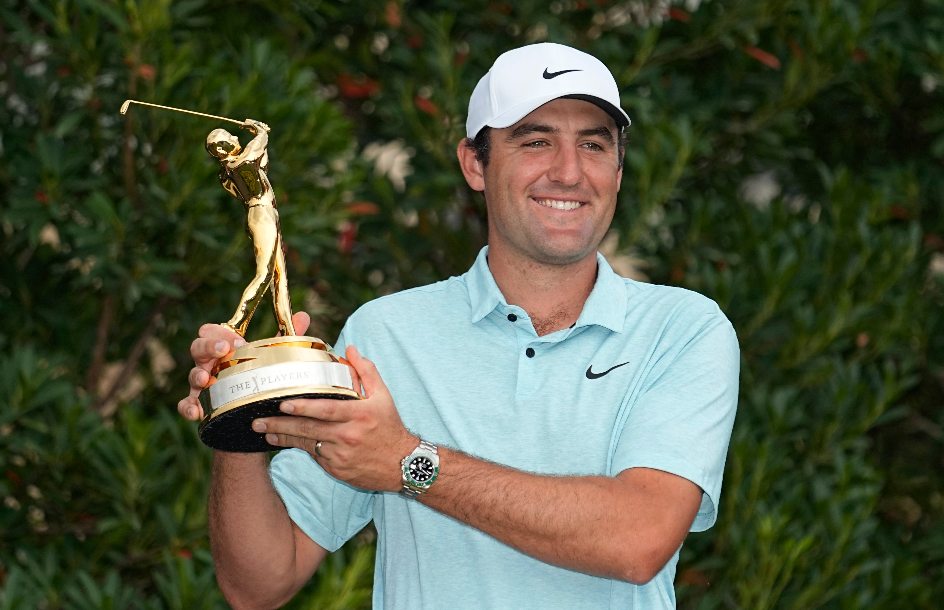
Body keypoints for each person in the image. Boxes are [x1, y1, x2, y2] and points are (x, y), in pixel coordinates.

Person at [179, 42, 739, 609]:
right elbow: (260, 584)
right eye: (536, 140)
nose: (569, 172)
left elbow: (638, 539)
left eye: (594, 144)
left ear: (618, 170)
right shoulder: (385, 334)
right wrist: (237, 417)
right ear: (475, 163)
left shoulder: (683, 329)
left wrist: (408, 463)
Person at [206, 119, 295, 337]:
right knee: (265, 274)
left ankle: (288, 330)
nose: (235, 138)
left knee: (278, 277)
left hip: (266, 214)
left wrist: (260, 135)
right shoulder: (237, 166)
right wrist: (259, 130)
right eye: (230, 137)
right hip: (261, 214)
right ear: (220, 148)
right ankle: (237, 323)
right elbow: (256, 148)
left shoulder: (237, 168)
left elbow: (261, 163)